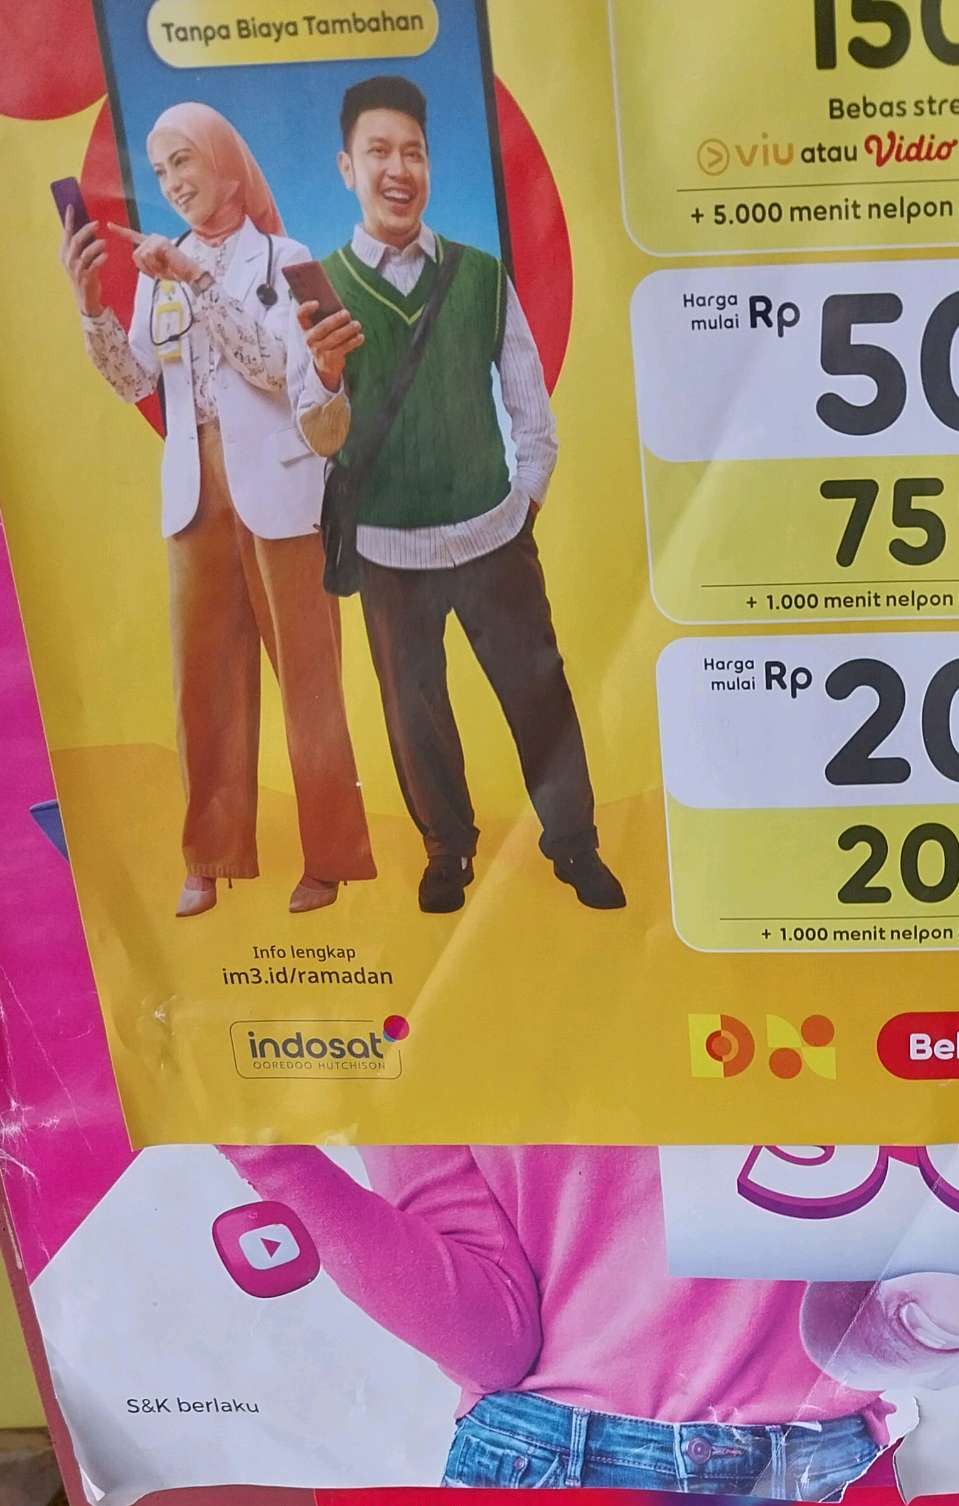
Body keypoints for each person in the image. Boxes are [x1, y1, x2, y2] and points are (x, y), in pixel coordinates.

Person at [220, 1145, 959, 1499]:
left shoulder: (444, 980)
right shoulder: (435, 981)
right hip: (804, 1460)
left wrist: (272, 1156)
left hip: (564, 1464)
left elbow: (495, 1343)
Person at [293, 75, 623, 917]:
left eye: (413, 151)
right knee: (415, 716)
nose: (397, 169)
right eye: (378, 151)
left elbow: (531, 411)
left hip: (493, 535)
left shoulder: (480, 275)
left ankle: (575, 845)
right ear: (346, 167)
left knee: (540, 693)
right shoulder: (319, 288)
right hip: (387, 549)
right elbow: (316, 438)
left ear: (430, 165)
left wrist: (522, 507)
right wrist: (325, 374)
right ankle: (448, 852)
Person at [60, 103, 375, 918]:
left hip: (278, 486)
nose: (172, 181)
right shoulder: (158, 269)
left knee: (309, 679)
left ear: (227, 165)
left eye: (184, 161)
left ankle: (330, 858)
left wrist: (196, 283)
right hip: (194, 487)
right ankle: (209, 855)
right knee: (201, 682)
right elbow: (136, 382)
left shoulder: (284, 258)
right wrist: (92, 305)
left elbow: (273, 367)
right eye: (161, 169)